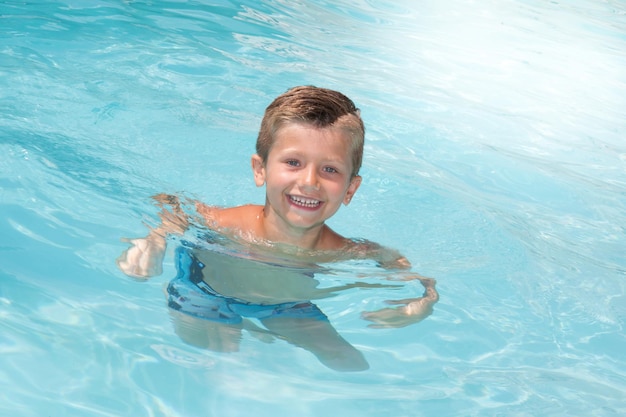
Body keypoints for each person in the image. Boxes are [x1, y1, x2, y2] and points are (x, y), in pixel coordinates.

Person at [117, 86, 439, 371]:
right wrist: (155, 238)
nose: (309, 182)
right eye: (293, 163)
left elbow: (395, 262)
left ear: (350, 189)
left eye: (329, 169)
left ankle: (257, 330)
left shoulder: (340, 250)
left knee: (350, 364)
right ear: (261, 170)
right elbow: (172, 202)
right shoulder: (231, 224)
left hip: (285, 306)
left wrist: (424, 300)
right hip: (204, 290)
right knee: (220, 358)